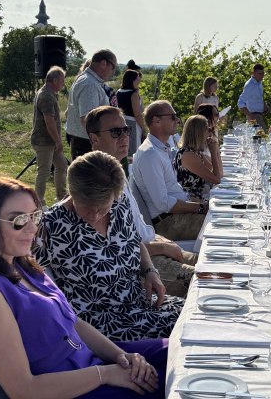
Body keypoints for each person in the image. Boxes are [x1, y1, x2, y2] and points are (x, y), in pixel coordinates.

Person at [0, 177, 167, 399]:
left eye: (35, 216)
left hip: (89, 365)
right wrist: (106, 374)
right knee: (170, 383)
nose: (32, 228)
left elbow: (75, 323)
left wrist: (124, 357)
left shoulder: (20, 263)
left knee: (178, 350)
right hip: (70, 389)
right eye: (19, 220)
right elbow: (24, 390)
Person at [35, 152, 183, 341]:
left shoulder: (119, 205)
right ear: (72, 191)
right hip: (102, 324)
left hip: (140, 303)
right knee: (186, 329)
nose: (95, 215)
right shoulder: (50, 226)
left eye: (103, 207)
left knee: (197, 314)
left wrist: (149, 270)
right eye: (87, 207)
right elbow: (36, 284)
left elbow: (135, 243)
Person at [85, 106, 197, 298]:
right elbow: (115, 247)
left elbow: (138, 226)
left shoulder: (117, 171)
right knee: (204, 280)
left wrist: (161, 241)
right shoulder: (97, 185)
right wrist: (161, 247)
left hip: (151, 246)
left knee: (206, 262)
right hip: (140, 264)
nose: (124, 137)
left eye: (126, 130)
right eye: (115, 132)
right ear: (95, 140)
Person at [131, 100, 207, 240]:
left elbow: (171, 190)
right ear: (156, 121)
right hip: (168, 223)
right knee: (217, 226)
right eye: (172, 116)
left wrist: (196, 202)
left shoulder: (159, 149)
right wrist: (200, 208)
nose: (177, 120)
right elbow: (163, 203)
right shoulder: (150, 154)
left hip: (175, 216)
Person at [65, 49, 118, 159]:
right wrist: (101, 142)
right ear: (103, 63)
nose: (113, 72)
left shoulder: (87, 79)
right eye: (113, 67)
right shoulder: (90, 84)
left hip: (85, 142)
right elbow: (88, 119)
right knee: (91, 176)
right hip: (88, 144)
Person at [30, 66, 68, 207]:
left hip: (50, 141)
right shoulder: (46, 96)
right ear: (55, 80)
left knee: (62, 165)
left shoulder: (49, 93)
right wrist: (58, 141)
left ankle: (62, 197)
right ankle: (38, 202)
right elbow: (49, 121)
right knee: (44, 171)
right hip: (44, 141)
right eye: (62, 81)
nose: (63, 84)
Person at [173, 115, 223, 200]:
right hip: (193, 202)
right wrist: (213, 153)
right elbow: (216, 179)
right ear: (199, 133)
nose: (210, 133)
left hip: (201, 197)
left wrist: (216, 149)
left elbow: (220, 174)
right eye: (208, 129)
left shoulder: (196, 152)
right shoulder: (188, 155)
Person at [116, 69, 146, 158]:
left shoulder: (119, 92)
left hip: (121, 122)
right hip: (133, 124)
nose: (139, 81)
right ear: (132, 80)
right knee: (134, 150)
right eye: (137, 79)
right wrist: (144, 128)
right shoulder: (133, 94)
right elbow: (137, 114)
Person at [237, 63, 268, 128]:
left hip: (260, 115)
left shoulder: (259, 83)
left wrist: (264, 105)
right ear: (253, 73)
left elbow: (259, 97)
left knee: (263, 136)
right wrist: (250, 115)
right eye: (259, 74)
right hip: (254, 116)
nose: (262, 76)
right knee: (262, 136)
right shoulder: (249, 85)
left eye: (263, 73)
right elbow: (240, 103)